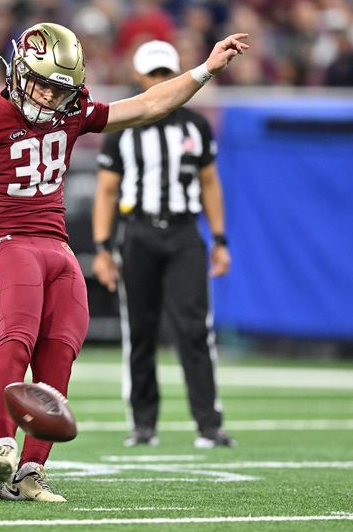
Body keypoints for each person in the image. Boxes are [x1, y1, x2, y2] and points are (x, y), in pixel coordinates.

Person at [0, 22, 248, 502]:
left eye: (59, 87)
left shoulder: (73, 110)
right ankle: (3, 445)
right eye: (40, 81)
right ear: (18, 70)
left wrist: (205, 69)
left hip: (56, 248)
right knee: (15, 346)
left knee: (59, 358)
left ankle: (30, 473)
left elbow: (148, 104)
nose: (47, 95)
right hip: (6, 242)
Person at [92, 40, 234, 450]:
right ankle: (143, 423)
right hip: (137, 233)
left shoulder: (195, 126)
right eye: (152, 74)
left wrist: (220, 239)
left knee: (194, 329)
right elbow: (105, 191)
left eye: (164, 73)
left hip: (184, 233)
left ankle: (209, 424)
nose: (158, 80)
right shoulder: (123, 128)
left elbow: (210, 183)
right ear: (139, 76)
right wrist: (103, 247)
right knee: (140, 331)